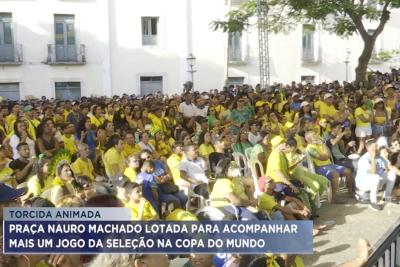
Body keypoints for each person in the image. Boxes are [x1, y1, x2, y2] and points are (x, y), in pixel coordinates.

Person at [305, 131, 354, 203]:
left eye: (315, 134)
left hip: (330, 165)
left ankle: (350, 192)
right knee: (335, 174)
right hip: (319, 167)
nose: (316, 136)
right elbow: (323, 158)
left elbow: (328, 153)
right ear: (308, 139)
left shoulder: (320, 144)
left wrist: (323, 144)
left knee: (348, 171)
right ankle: (334, 198)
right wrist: (326, 155)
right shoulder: (310, 148)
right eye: (313, 135)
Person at [355, 138, 396, 211]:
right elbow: (373, 172)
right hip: (362, 184)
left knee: (392, 174)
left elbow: (385, 169)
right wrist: (373, 158)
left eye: (377, 146)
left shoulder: (379, 156)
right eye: (375, 146)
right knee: (375, 177)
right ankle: (373, 202)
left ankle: (385, 198)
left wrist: (384, 167)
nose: (378, 148)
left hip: (375, 181)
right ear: (369, 149)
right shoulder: (364, 159)